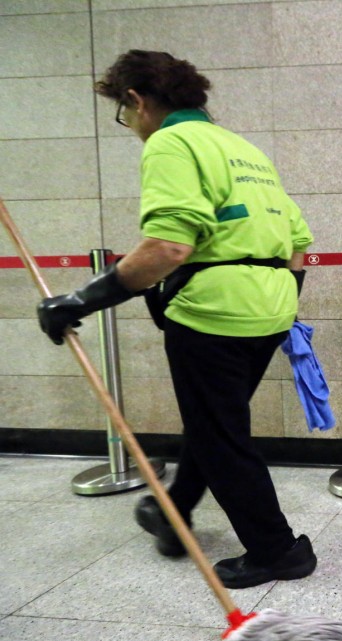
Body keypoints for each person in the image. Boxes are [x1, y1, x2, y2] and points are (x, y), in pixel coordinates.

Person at [37, 50, 316, 589]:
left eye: (125, 112)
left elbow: (168, 247)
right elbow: (299, 243)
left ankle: (278, 550)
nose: (130, 123)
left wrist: (78, 301)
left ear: (137, 100)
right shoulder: (242, 148)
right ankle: (174, 511)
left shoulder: (171, 142)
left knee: (221, 436)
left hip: (213, 314)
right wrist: (273, 299)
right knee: (214, 423)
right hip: (272, 308)